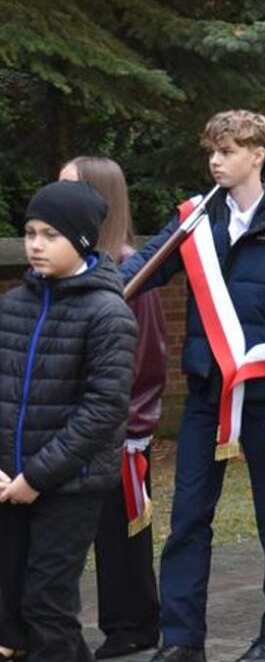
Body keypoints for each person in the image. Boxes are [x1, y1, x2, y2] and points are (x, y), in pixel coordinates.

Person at [125, 110, 265, 662]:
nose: (216, 161)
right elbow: (145, 268)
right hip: (207, 394)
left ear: (258, 155)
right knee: (189, 515)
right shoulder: (197, 219)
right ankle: (184, 638)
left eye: (229, 150)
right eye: (212, 151)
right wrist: (93, 290)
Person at [0, 182, 136, 661]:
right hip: (7, 484)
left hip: (68, 487)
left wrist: (36, 476)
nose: (36, 244)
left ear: (80, 241)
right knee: (8, 612)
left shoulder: (106, 314)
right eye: (30, 232)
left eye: (51, 234)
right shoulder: (12, 306)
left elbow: (102, 410)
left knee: (47, 605)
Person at [61, 158, 169, 659]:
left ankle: (133, 625)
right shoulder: (70, 268)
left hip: (118, 432)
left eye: (68, 188)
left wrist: (129, 425)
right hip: (71, 427)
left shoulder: (130, 267)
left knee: (121, 533)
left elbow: (144, 358)